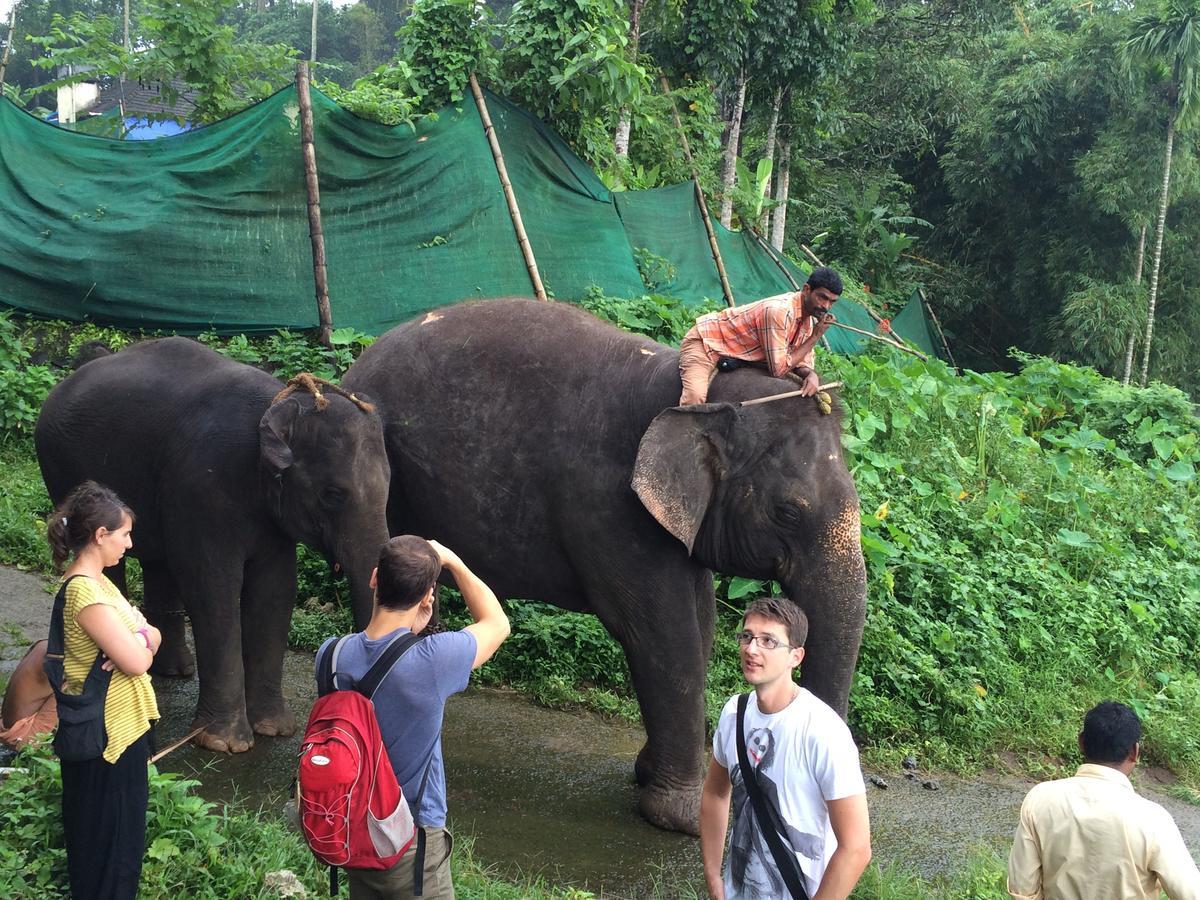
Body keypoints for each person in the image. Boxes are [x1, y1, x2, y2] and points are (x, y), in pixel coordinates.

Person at [317, 535, 510, 899]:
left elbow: (376, 679)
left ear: (374, 578)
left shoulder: (330, 655)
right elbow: (497, 622)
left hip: (352, 832)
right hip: (409, 843)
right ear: (426, 597)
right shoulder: (433, 661)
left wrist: (410, 633)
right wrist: (454, 561)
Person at [700, 597, 871, 900]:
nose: (752, 649)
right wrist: (714, 877)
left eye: (769, 641)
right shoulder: (733, 714)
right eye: (748, 636)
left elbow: (856, 848)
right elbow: (715, 793)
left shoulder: (822, 731)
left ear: (796, 656)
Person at [46, 480, 160, 900]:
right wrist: (140, 642)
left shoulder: (104, 585)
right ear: (100, 535)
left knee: (120, 842)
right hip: (105, 742)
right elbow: (137, 661)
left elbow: (153, 635)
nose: (129, 544)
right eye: (125, 534)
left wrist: (141, 638)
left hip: (120, 733)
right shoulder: (86, 595)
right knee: (107, 849)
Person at [1007, 700, 1200, 900]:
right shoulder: (1153, 819)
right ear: (1134, 752)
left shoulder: (1040, 800)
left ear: (1081, 742)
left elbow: (1022, 889)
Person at [678, 267, 843, 406]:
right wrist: (815, 337)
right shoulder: (779, 311)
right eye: (822, 297)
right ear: (807, 290)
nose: (826, 306)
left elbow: (801, 363)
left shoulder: (808, 323)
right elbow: (778, 370)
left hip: (736, 355)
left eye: (832, 302)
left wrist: (811, 375)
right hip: (707, 343)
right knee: (695, 397)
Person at [0, 639, 57, 748]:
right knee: (79, 684)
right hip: (23, 738)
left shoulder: (43, 643)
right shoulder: (59, 659)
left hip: (5, 725)